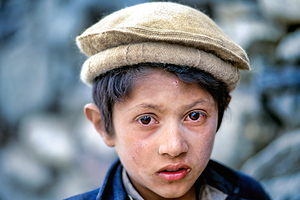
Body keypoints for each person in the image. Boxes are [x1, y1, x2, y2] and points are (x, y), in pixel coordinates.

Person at [65, 2, 271, 200]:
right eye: (146, 120)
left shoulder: (249, 194)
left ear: (221, 112)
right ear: (103, 126)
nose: (174, 147)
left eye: (194, 116)